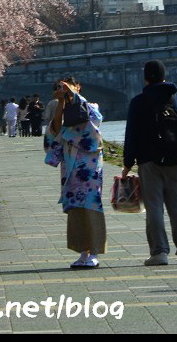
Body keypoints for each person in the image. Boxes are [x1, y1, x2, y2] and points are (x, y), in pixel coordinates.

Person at [121, 59, 177, 266]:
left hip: (148, 161)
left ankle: (159, 252)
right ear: (163, 76)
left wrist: (128, 163)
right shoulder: (174, 98)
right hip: (175, 158)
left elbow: (131, 135)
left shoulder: (138, 102)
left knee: (154, 207)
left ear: (145, 77)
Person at [45, 75, 106, 269]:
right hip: (70, 164)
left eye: (69, 87)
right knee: (75, 207)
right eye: (60, 87)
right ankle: (82, 251)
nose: (65, 90)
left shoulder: (91, 107)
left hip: (88, 165)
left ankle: (94, 251)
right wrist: (61, 101)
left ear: (78, 87)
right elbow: (55, 130)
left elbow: (93, 123)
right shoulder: (62, 110)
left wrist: (70, 93)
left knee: (90, 205)